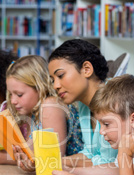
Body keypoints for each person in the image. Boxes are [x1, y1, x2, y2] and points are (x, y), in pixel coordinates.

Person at [50, 74, 134, 175]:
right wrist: (72, 171)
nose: (101, 132)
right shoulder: (128, 140)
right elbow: (115, 169)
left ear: (133, 119)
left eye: (107, 124)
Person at [47, 39, 118, 168]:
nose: (55, 86)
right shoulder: (84, 105)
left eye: (61, 75)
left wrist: (62, 166)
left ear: (86, 69)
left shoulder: (115, 99)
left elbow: (109, 162)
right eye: (53, 80)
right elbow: (89, 154)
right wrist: (49, 162)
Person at [6, 55, 83, 167]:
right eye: (10, 94)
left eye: (19, 95)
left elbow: (53, 158)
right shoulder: (32, 111)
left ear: (40, 87)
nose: (13, 101)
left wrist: (5, 158)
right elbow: (32, 154)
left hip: (77, 168)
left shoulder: (50, 105)